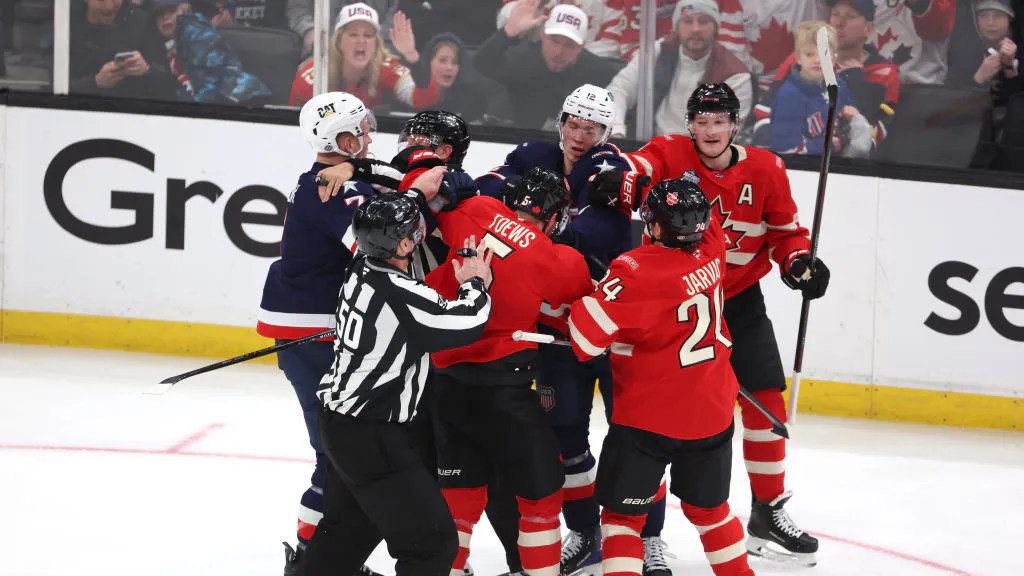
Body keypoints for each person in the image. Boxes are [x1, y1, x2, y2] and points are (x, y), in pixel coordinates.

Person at [589, 82, 830, 566]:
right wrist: (622, 179)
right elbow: (637, 166)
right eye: (701, 121)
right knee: (660, 413)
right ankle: (646, 529)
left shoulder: (766, 169)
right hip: (676, 300)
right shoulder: (672, 151)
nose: (710, 130)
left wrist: (799, 261)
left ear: (735, 125)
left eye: (720, 121)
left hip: (737, 300)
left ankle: (767, 509)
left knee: (765, 404)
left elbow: (786, 233)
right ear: (690, 125)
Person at [475, 84, 671, 576]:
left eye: (592, 128)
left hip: (614, 328)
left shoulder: (608, 172)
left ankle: (648, 537)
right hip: (555, 335)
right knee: (567, 438)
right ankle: (586, 531)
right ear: (560, 121)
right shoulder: (533, 157)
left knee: (639, 436)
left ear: (607, 133)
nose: (580, 136)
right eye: (573, 124)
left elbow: (565, 244)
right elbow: (485, 192)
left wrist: (517, 220)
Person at [255, 90, 442, 576]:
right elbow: (377, 244)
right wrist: (414, 195)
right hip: (313, 332)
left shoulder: (340, 178)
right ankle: (308, 557)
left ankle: (322, 555)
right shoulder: (329, 191)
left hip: (322, 327)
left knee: (339, 451)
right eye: (356, 130)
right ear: (334, 138)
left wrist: (358, 169)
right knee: (332, 452)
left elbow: (384, 176)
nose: (366, 135)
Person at [294, 194, 495, 576]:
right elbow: (466, 322)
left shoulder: (359, 269)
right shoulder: (400, 294)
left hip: (341, 424)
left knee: (347, 532)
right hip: (372, 438)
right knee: (433, 545)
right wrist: (475, 284)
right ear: (403, 244)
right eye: (412, 230)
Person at [568, 178, 754, 576]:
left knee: (622, 521)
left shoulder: (635, 270)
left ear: (653, 226)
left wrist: (588, 294)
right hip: (713, 411)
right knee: (711, 512)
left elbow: (585, 340)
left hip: (648, 419)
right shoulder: (713, 248)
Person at [425, 167, 595, 576]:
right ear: (554, 218)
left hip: (444, 388)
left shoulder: (477, 209)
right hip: (507, 395)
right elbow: (581, 313)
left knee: (458, 506)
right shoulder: (557, 257)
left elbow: (431, 204)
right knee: (541, 502)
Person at [755, 0, 901, 149]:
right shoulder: (802, 59)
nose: (839, 23)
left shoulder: (883, 72)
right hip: (791, 155)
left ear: (868, 29)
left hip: (840, 165)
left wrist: (855, 80)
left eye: (850, 16)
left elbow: (874, 135)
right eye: (835, 14)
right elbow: (767, 108)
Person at [605, 0, 751, 138]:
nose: (695, 29)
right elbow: (618, 90)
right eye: (687, 21)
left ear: (715, 28)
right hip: (649, 147)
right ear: (676, 27)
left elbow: (719, 136)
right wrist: (617, 129)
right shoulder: (658, 51)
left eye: (703, 21)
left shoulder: (735, 75)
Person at [474, 1, 621, 129]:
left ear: (581, 46)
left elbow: (618, 111)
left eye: (568, 45)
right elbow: (481, 64)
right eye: (554, 41)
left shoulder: (598, 73)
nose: (558, 52)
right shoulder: (524, 59)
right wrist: (507, 32)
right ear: (543, 35)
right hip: (521, 144)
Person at [288, 3, 440, 110]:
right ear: (339, 41)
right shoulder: (313, 77)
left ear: (376, 43)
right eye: (353, 35)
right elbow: (296, 128)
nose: (361, 41)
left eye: (368, 35)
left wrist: (412, 56)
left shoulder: (387, 68)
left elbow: (426, 98)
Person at [769, 21, 872, 158]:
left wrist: (850, 109)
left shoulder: (837, 84)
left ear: (834, 59)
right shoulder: (790, 96)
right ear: (798, 58)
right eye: (810, 54)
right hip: (805, 169)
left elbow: (848, 103)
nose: (818, 60)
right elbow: (785, 151)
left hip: (834, 162)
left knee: (861, 127)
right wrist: (822, 145)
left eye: (823, 54)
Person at [147, 0, 271, 104]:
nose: (165, 17)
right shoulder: (169, 45)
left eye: (171, 11)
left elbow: (210, 83)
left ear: (184, 11)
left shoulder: (196, 34)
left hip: (242, 100)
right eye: (160, 14)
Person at [70, 0, 178, 99]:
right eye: (100, 0)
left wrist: (147, 69)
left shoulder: (141, 22)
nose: (109, 6)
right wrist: (95, 83)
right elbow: (56, 88)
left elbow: (171, 82)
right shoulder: (64, 26)